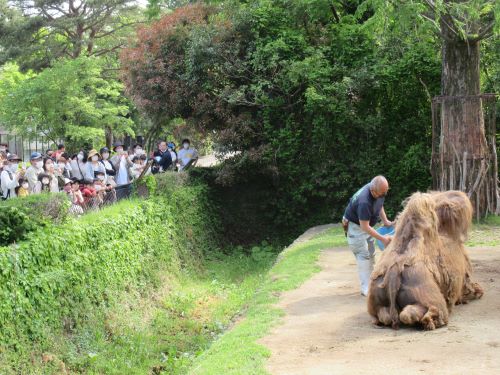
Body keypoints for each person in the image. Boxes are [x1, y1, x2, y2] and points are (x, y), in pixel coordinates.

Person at [343, 175, 394, 296]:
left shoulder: (378, 192)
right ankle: (366, 288)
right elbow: (364, 227)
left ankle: (372, 283)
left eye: (385, 193)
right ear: (372, 191)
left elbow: (379, 204)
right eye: (381, 193)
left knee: (371, 253)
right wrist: (383, 239)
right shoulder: (364, 201)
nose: (383, 195)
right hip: (355, 227)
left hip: (365, 224)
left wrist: (385, 221)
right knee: (363, 254)